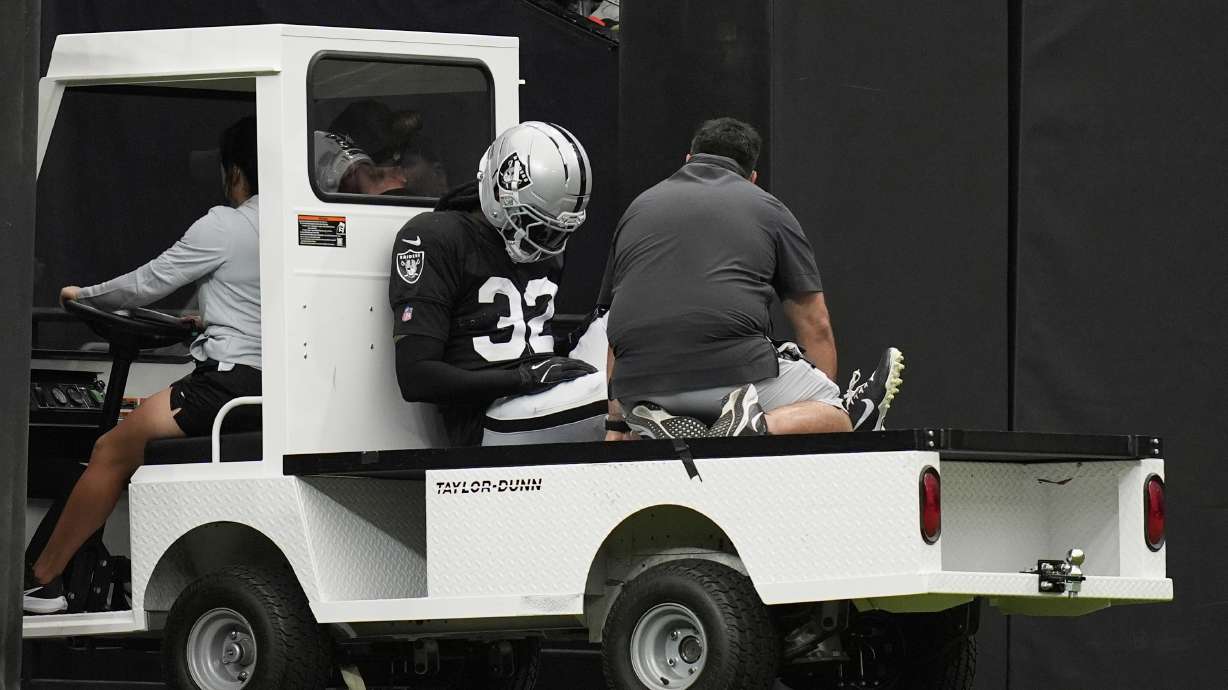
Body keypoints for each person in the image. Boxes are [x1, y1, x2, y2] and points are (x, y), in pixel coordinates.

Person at [24, 116, 262, 614]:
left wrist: (79, 296)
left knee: (111, 448)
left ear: (235, 172)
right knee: (133, 436)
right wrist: (200, 321)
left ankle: (41, 583)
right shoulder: (302, 226)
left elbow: (146, 284)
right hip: (270, 389)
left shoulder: (227, 224)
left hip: (224, 386)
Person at [599, 117, 904, 441]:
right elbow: (815, 324)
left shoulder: (636, 210)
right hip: (729, 378)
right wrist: (819, 411)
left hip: (639, 391)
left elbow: (617, 326)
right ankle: (754, 424)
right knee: (835, 414)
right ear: (753, 178)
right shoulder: (770, 210)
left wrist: (617, 427)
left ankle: (664, 420)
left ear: (687, 161)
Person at [389, 121, 607, 446]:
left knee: (628, 322)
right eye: (532, 223)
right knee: (624, 388)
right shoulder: (438, 237)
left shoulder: (544, 250)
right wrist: (523, 378)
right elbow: (416, 376)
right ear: (499, 196)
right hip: (489, 418)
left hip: (540, 401)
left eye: (554, 231)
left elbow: (524, 339)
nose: (544, 241)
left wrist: (571, 345)